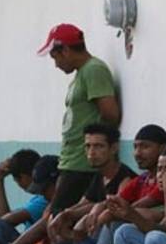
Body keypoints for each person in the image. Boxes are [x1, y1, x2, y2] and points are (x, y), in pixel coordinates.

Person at [63, 125, 166, 244]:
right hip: (133, 242)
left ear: (162, 149)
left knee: (121, 225)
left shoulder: (165, 183)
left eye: (145, 146)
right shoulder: (143, 179)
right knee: (91, 229)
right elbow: (113, 202)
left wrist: (107, 213)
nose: (137, 153)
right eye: (135, 147)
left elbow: (132, 208)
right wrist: (93, 213)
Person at [38, 23, 122, 213]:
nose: (56, 64)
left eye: (55, 57)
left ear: (66, 51)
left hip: (83, 165)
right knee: (56, 217)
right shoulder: (81, 74)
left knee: (61, 220)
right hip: (72, 161)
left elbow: (111, 115)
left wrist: (93, 148)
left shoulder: (93, 70)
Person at [46, 124, 137, 244]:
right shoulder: (100, 176)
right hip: (96, 239)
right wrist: (65, 215)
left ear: (114, 148)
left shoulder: (126, 178)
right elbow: (84, 204)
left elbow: (115, 207)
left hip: (116, 243)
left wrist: (88, 214)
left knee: (90, 231)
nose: (91, 152)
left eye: (98, 146)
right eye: (88, 146)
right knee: (69, 238)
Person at [0, 149, 46, 241]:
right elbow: (5, 217)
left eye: (17, 181)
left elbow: (2, 220)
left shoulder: (43, 201)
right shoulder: (38, 199)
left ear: (23, 177)